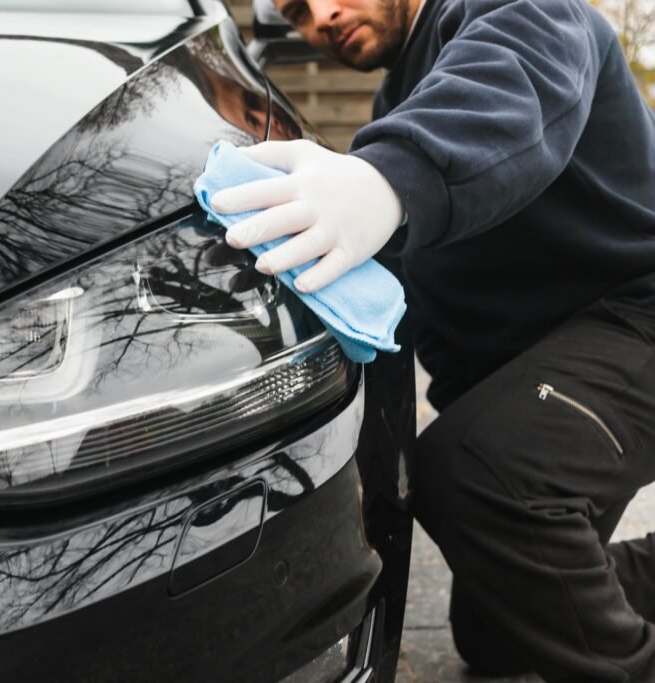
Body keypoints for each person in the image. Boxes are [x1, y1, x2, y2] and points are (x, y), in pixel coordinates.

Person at [210, 0, 655, 680]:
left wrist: (390, 178)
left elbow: (516, 78)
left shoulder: (509, 13)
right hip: (558, 373)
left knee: (479, 474)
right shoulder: (399, 103)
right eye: (296, 10)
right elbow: (440, 319)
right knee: (499, 630)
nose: (323, 14)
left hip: (638, 318)